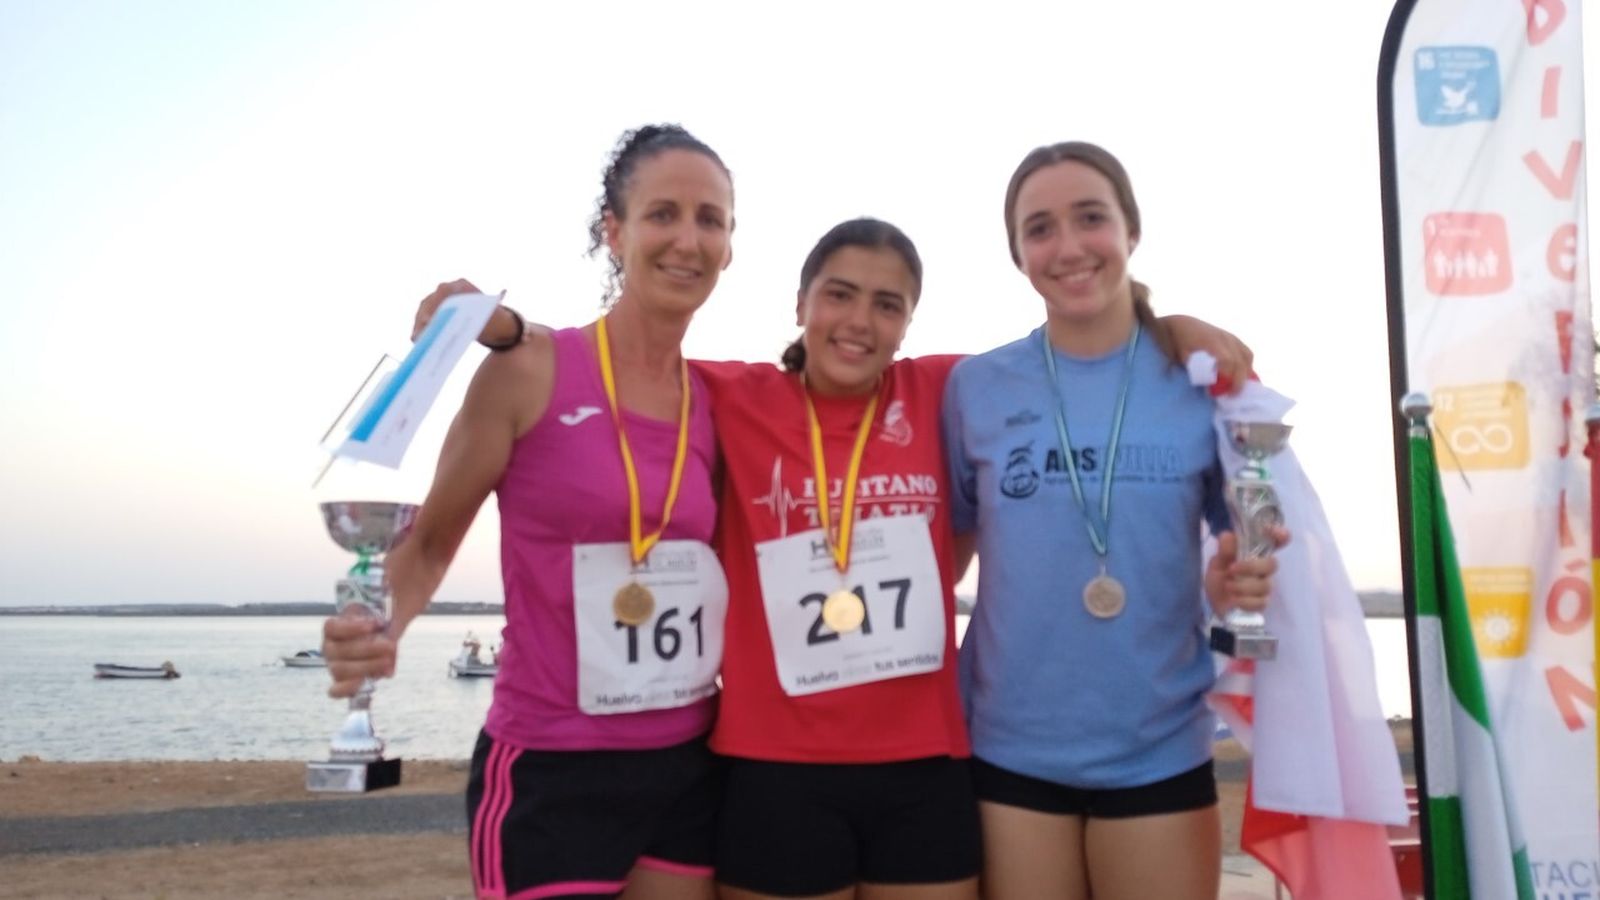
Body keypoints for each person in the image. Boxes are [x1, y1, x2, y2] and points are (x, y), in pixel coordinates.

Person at [444, 216, 1255, 900]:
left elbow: (1076, 355)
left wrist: (1169, 327)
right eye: (838, 295)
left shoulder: (951, 390)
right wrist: (518, 333)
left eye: (887, 304)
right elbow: (625, 364)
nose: (858, 321)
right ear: (801, 304)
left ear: (909, 323)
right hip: (772, 767)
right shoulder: (729, 394)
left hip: (925, 766)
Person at [322, 123, 734, 900]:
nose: (687, 239)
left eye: (710, 219)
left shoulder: (719, 400)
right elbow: (432, 544)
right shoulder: (530, 373)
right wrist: (377, 628)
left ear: (730, 245)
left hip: (687, 764)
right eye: (662, 214)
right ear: (613, 233)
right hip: (552, 767)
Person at [941, 141, 1282, 900]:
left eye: (1090, 218)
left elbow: (1243, 552)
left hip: (1157, 747)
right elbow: (950, 552)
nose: (1067, 247)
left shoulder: (1203, 381)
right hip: (1010, 750)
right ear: (1017, 254)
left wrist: (1235, 584)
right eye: (1039, 228)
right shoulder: (976, 387)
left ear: (1131, 230)